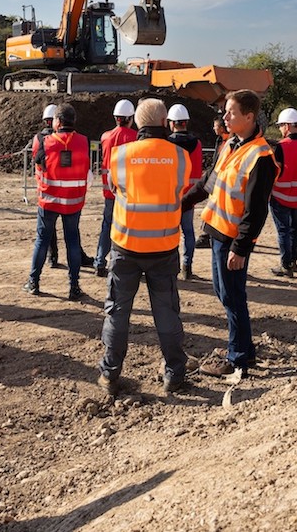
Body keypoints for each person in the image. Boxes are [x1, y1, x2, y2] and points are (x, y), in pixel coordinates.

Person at [98, 99, 191, 395]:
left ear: (138, 124)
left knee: (118, 312)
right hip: (163, 247)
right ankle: (174, 375)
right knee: (166, 313)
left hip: (126, 246)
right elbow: (181, 190)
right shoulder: (180, 157)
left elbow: (114, 189)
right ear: (165, 123)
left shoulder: (119, 155)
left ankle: (110, 374)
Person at [182, 90, 278, 377]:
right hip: (217, 231)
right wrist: (180, 204)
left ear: (249, 117)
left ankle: (237, 359)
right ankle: (244, 351)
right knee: (225, 293)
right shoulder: (231, 145)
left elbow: (256, 210)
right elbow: (208, 183)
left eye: (231, 113)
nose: (225, 117)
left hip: (232, 239)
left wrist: (241, 247)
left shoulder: (261, 156)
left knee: (232, 296)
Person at [24, 103, 90, 300]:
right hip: (73, 202)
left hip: (49, 201)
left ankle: (34, 282)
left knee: (42, 241)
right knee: (73, 242)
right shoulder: (84, 141)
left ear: (57, 122)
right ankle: (74, 286)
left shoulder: (44, 142)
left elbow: (37, 165)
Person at [268, 107, 297, 277]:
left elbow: (276, 171)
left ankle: (286, 265)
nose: (280, 129)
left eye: (281, 126)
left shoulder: (282, 146)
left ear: (287, 126)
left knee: (283, 230)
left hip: (281, 194)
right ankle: (293, 262)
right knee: (295, 228)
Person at [94, 99, 137, 277]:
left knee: (107, 227)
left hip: (109, 192)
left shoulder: (105, 137)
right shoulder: (135, 137)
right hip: (128, 194)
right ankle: (124, 263)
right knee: (128, 229)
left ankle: (99, 261)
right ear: (130, 118)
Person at [167, 103, 203, 280]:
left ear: (172, 123)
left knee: (172, 234)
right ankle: (187, 266)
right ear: (186, 123)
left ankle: (173, 266)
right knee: (188, 232)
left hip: (171, 196)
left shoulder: (167, 144)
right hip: (190, 196)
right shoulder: (197, 144)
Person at [194, 114, 231, 252]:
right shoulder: (222, 141)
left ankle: (207, 235)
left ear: (221, 128)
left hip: (219, 183)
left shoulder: (227, 143)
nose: (213, 129)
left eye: (215, 126)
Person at [31, 104, 62, 268]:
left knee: (46, 229)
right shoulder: (61, 139)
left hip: (44, 188)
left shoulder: (38, 138)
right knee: (70, 228)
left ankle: (52, 257)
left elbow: (36, 158)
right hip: (62, 188)